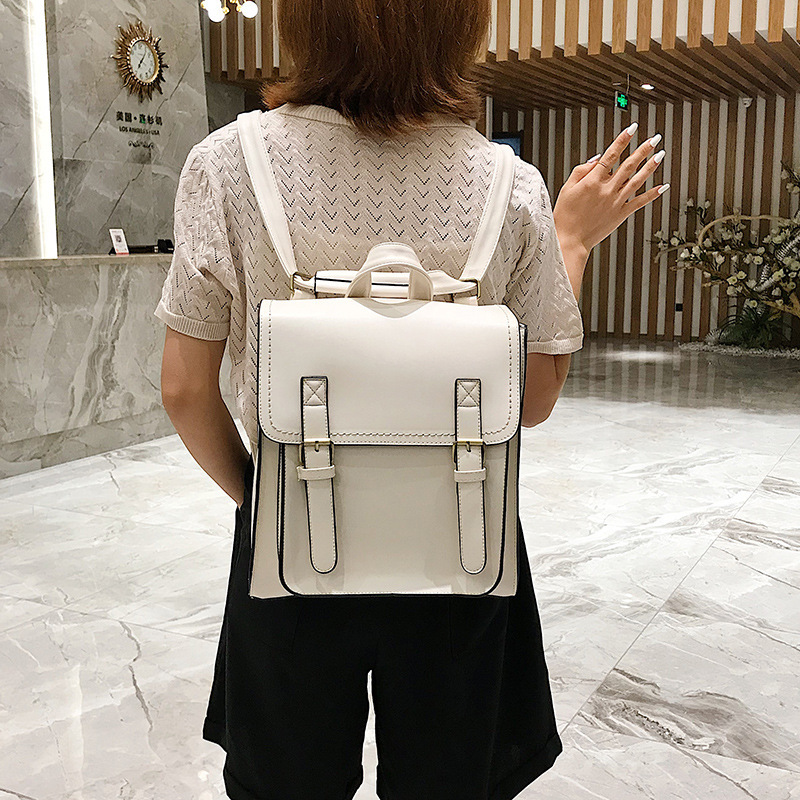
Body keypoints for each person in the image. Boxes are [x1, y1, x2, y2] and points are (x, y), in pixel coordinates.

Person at [153, 2, 668, 798]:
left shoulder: (226, 163)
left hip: (294, 542)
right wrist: (570, 239)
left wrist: (264, 503)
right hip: (461, 536)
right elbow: (532, 398)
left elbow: (184, 388)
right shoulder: (511, 185)